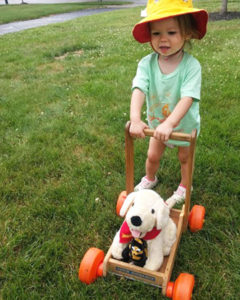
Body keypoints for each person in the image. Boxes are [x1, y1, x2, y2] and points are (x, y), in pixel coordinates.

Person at [130, 0, 208, 203]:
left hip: (183, 126)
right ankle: (150, 178)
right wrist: (135, 119)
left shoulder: (191, 66)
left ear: (187, 33)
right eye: (156, 33)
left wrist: (170, 124)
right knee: (152, 156)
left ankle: (184, 186)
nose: (163, 39)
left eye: (171, 33)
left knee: (185, 158)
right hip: (157, 125)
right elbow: (139, 89)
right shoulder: (146, 64)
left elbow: (187, 98)